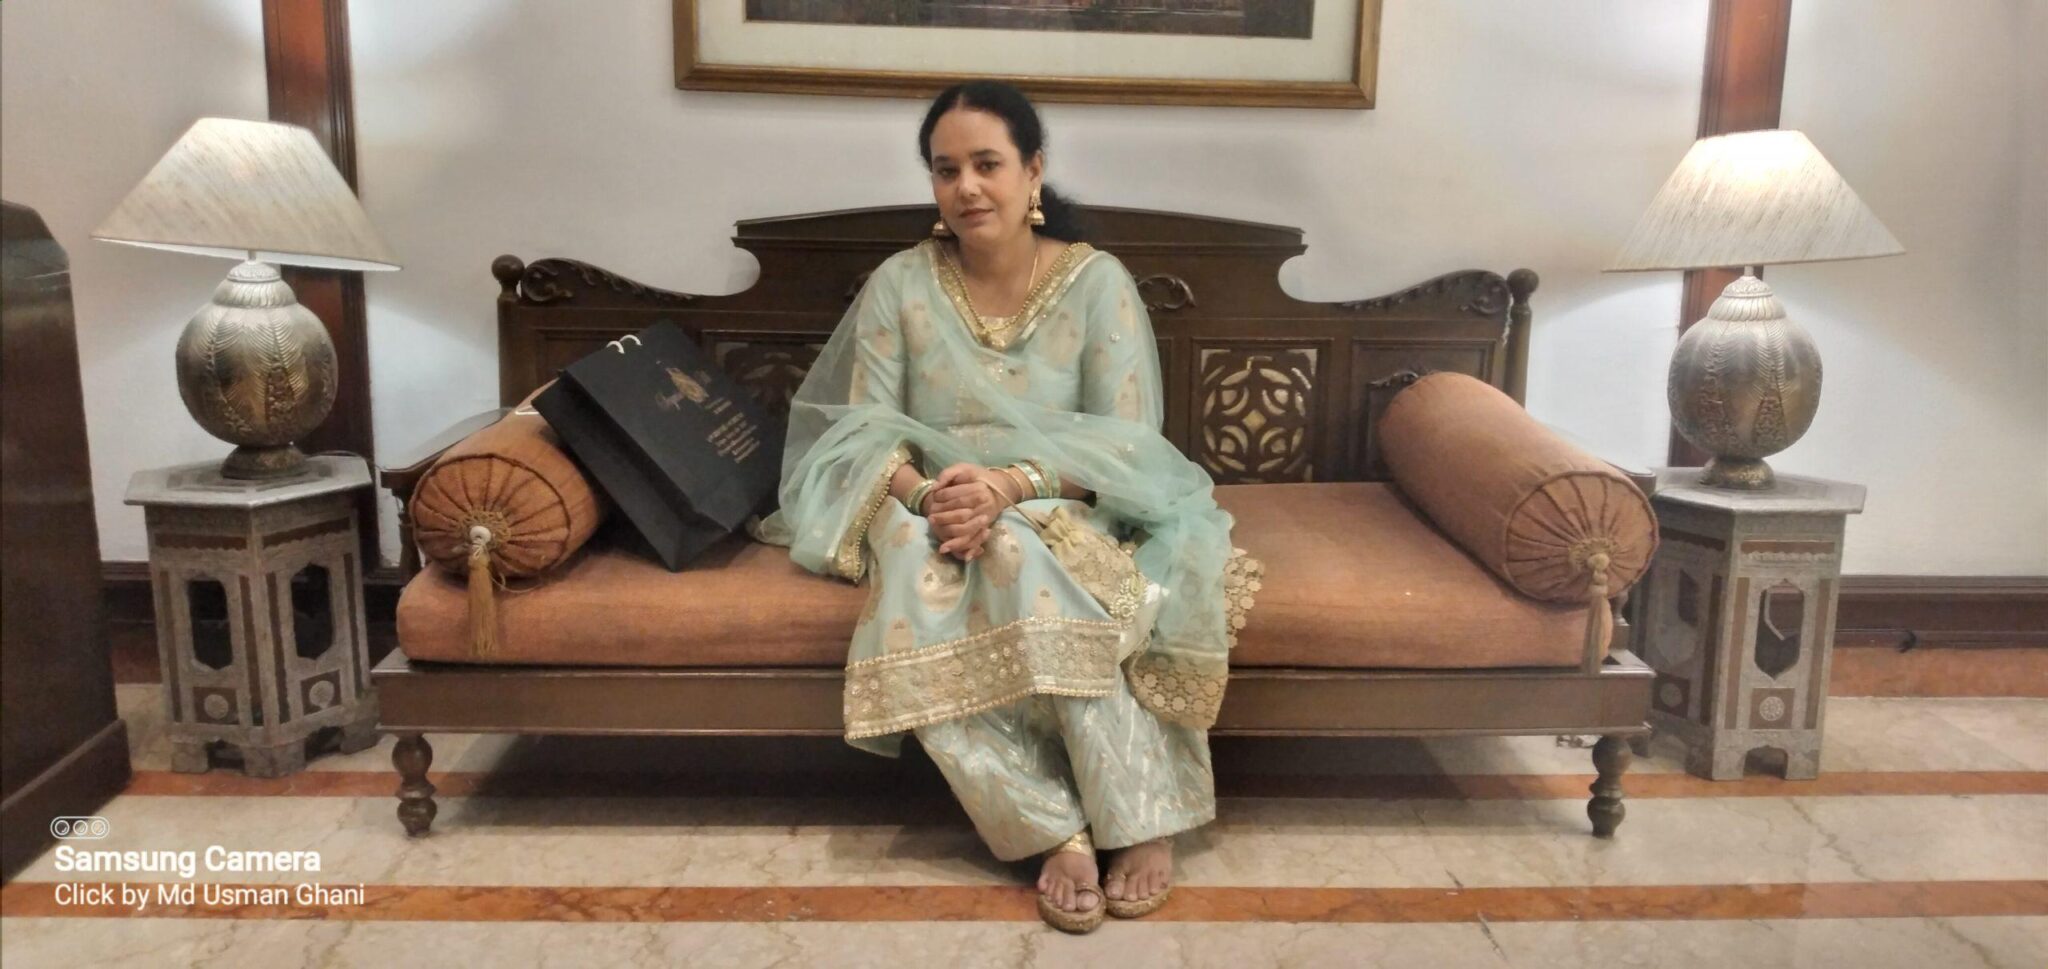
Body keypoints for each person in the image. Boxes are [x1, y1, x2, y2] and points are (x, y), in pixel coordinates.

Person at [767, 80, 1260, 934]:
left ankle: (1139, 809)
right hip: (925, 505)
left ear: (1033, 171)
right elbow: (862, 433)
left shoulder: (1096, 283)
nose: (966, 186)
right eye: (945, 169)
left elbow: (1127, 443)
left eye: (987, 164)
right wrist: (931, 495)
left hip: (1058, 496)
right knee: (926, 560)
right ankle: (1053, 825)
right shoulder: (900, 284)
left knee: (1015, 548)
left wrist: (1011, 486)